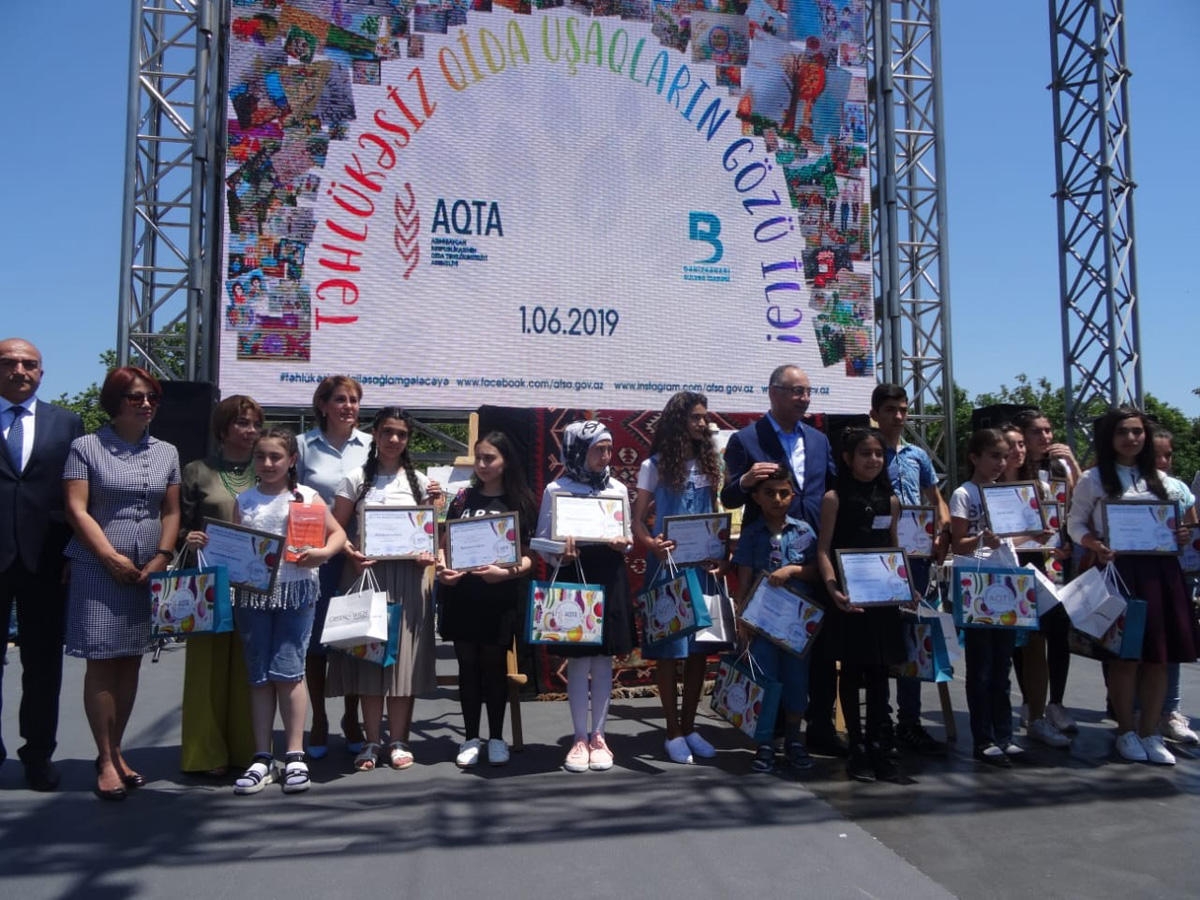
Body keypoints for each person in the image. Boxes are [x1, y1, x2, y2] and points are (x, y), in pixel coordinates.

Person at [63, 366, 181, 800]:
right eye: (136, 397)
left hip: (148, 569)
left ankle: (117, 749)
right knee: (101, 660)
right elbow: (77, 510)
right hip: (98, 567)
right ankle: (104, 758)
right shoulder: (86, 447)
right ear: (115, 401)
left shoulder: (167, 451)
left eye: (152, 397)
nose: (146, 403)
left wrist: (162, 556)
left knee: (130, 661)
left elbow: (170, 512)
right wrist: (109, 557)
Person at [1067, 407, 1198, 765]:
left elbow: (1179, 527)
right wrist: (1094, 544)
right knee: (1126, 657)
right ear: (1110, 438)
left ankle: (1151, 731)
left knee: (1159, 657)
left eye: (1137, 432)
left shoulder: (1163, 481)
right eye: (1123, 432)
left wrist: (1181, 535)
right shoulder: (1093, 479)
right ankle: (1126, 730)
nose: (1131, 438)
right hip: (1120, 574)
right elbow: (1074, 524)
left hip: (1162, 574)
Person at [721, 364, 840, 755]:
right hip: (767, 561)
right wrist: (746, 480)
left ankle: (818, 728)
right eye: (795, 391)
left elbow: (830, 491)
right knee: (768, 653)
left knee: (818, 652)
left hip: (811, 556)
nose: (804, 398)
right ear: (773, 393)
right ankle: (768, 733)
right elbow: (729, 497)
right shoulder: (746, 439)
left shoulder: (820, 440)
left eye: (807, 392)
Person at [232, 427, 345, 795]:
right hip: (252, 596)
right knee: (260, 675)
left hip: (296, 593)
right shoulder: (244, 500)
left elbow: (337, 534)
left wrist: (324, 554)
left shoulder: (306, 497)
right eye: (261, 456)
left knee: (289, 671)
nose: (267, 463)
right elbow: (232, 545)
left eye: (275, 457)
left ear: (291, 460)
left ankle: (295, 753)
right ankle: (262, 756)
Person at [329, 408, 442, 771]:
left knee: (402, 663)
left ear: (408, 439)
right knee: (369, 659)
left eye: (402, 434)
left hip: (408, 580)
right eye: (388, 432)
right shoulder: (355, 478)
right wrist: (350, 551)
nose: (394, 440)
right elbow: (337, 529)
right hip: (366, 576)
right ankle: (371, 741)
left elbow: (429, 535)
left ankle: (398, 740)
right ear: (375, 434)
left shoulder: (421, 483)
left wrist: (429, 551)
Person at [0, 338, 84, 791]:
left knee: (43, 665)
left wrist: (73, 551)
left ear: (41, 373)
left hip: (47, 562)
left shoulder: (67, 423)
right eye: (10, 363)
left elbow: (75, 496)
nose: (19, 371)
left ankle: (37, 755)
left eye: (29, 364)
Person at [534, 421, 636, 773]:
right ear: (578, 450)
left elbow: (628, 537)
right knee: (579, 660)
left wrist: (625, 542)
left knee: (604, 659)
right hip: (574, 573)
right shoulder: (556, 489)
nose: (605, 456)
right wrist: (559, 551)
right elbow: (541, 541)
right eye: (597, 449)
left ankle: (600, 736)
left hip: (609, 572)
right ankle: (579, 737)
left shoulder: (617, 488)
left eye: (608, 448)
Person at [631, 391, 724, 765]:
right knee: (670, 652)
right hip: (667, 568)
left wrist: (721, 553)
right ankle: (671, 731)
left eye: (705, 418)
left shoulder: (711, 463)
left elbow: (715, 515)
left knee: (701, 650)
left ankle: (689, 726)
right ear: (678, 421)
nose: (703, 424)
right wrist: (651, 543)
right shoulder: (653, 465)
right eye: (696, 418)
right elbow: (636, 521)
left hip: (701, 568)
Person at [436, 431, 534, 768]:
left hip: (499, 599)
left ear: (505, 460)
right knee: (467, 668)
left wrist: (505, 574)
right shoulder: (463, 499)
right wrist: (442, 567)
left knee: (493, 669)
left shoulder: (519, 502)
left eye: (489, 458)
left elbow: (528, 558)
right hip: (462, 598)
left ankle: (496, 737)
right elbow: (443, 544)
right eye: (478, 458)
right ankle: (470, 737)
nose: (482, 465)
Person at [177, 395, 263, 775]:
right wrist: (187, 538)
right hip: (209, 583)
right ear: (224, 428)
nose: (251, 431)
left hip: (258, 583)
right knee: (206, 669)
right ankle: (207, 754)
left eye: (255, 423)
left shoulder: (270, 467)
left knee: (251, 666)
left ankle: (250, 750)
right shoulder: (197, 471)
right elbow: (177, 521)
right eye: (242, 423)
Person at [817, 428, 908, 782]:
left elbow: (894, 546)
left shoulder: (893, 500)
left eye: (878, 454)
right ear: (848, 458)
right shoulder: (834, 498)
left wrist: (905, 585)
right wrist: (832, 587)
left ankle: (878, 745)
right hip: (849, 599)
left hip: (883, 599)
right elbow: (823, 549)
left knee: (880, 673)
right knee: (853, 672)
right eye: (865, 453)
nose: (873, 460)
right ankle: (856, 745)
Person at [870, 383, 950, 755]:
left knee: (911, 640)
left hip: (915, 560)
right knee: (879, 641)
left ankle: (910, 721)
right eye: (890, 409)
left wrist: (942, 533)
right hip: (878, 559)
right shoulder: (866, 452)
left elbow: (936, 500)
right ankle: (879, 721)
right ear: (876, 412)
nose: (898, 416)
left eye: (903, 409)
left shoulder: (917, 455)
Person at [296, 375, 371, 757]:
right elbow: (291, 499)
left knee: (354, 635)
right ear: (323, 405)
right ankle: (320, 718)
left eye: (354, 400)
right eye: (340, 400)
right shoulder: (303, 447)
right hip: (317, 557)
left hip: (360, 557)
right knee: (315, 643)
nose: (348, 407)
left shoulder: (372, 447)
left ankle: (352, 717)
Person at [731, 467, 821, 774]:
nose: (777, 499)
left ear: (792, 496)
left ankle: (795, 740)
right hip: (761, 624)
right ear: (756, 497)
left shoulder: (805, 532)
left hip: (796, 624)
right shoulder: (752, 535)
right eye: (769, 493)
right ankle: (765, 743)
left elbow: (817, 571)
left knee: (797, 682)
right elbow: (743, 580)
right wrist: (741, 619)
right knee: (765, 682)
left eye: (784, 493)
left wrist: (793, 571)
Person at [950, 428, 1024, 767]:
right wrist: (984, 539)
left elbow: (1016, 535)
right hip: (977, 583)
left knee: (1003, 664)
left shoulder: (1007, 492)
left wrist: (1035, 531)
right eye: (993, 456)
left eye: (1004, 456)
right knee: (981, 666)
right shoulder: (964, 494)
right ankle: (983, 737)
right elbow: (958, 543)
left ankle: (1004, 734)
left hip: (1007, 581)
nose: (1000, 463)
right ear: (974, 457)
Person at [999, 422, 1072, 750]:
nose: (1017, 451)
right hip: (1004, 571)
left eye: (1020, 445)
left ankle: (1041, 711)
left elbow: (1064, 517)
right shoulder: (988, 488)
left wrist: (1055, 544)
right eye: (1010, 445)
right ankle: (1023, 709)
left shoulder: (1039, 488)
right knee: (1017, 644)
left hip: (1038, 569)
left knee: (1049, 630)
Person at [1013, 409, 1080, 737]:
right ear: (1023, 437)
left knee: (1058, 629)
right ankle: (1029, 700)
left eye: (1049, 430)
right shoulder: (1014, 471)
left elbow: (1082, 504)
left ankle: (1056, 701)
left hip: (1057, 556)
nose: (1046, 437)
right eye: (1037, 432)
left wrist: (1074, 466)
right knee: (1026, 634)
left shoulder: (1059, 468)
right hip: (1025, 558)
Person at [1155, 429, 1199, 744]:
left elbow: (1192, 525)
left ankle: (1171, 711)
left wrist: (1185, 534)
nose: (1163, 461)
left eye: (1168, 455)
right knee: (1142, 648)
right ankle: (1137, 713)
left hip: (1179, 573)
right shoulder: (1131, 487)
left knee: (1172, 646)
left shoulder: (1180, 488)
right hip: (1142, 574)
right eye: (1156, 455)